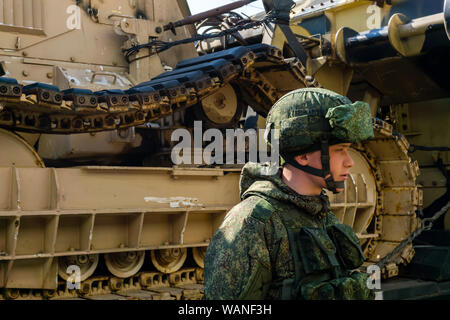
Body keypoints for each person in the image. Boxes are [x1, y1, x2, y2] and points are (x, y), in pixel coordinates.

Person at [203, 87, 376, 300]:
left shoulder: (320, 213)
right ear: (303, 155)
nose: (349, 162)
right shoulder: (253, 222)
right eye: (339, 150)